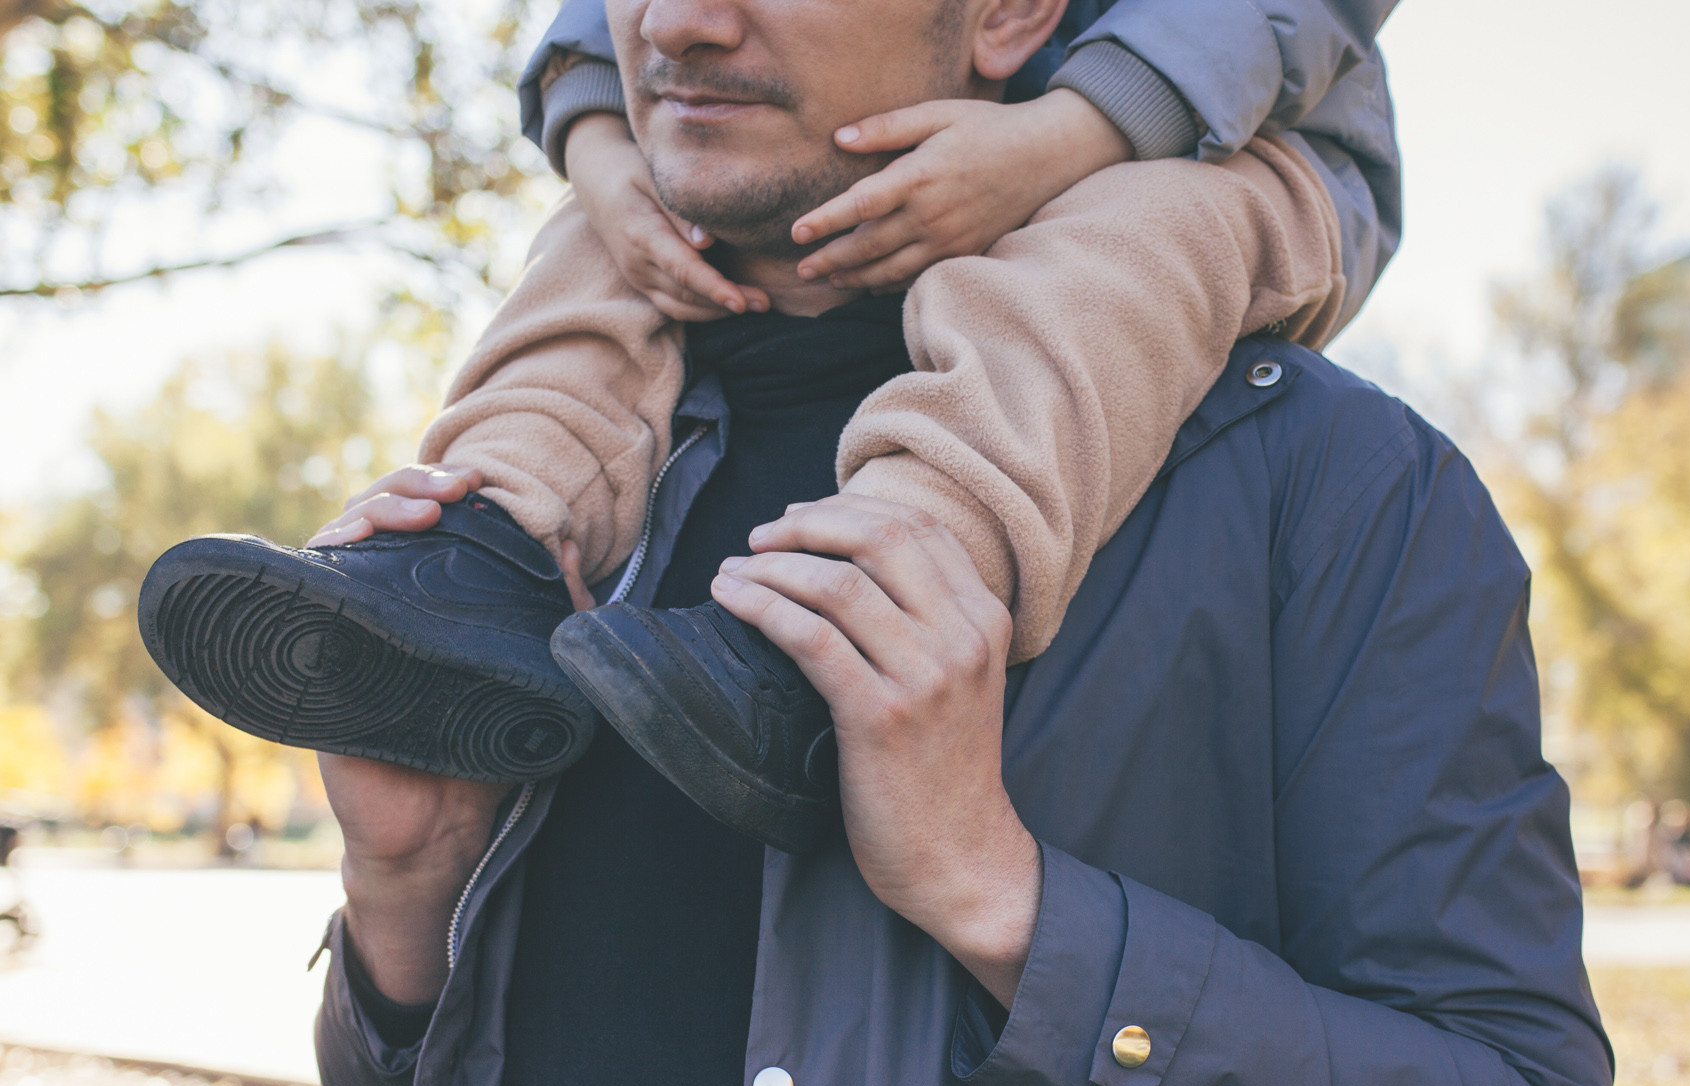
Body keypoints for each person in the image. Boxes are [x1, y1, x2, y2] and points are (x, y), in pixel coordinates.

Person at [309, 0, 1614, 1086]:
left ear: (1007, 13)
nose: (684, 21)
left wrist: (1006, 903)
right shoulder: (550, 490)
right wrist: (405, 894)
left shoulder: (1331, 490)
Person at [134, 0, 1393, 852]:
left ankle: (887, 578)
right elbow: (610, 32)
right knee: (618, 239)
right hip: (836, 127)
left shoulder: (1348, 484)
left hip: (1228, 137)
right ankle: (494, 533)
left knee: (1126, 242)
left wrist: (1071, 132)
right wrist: (596, 144)